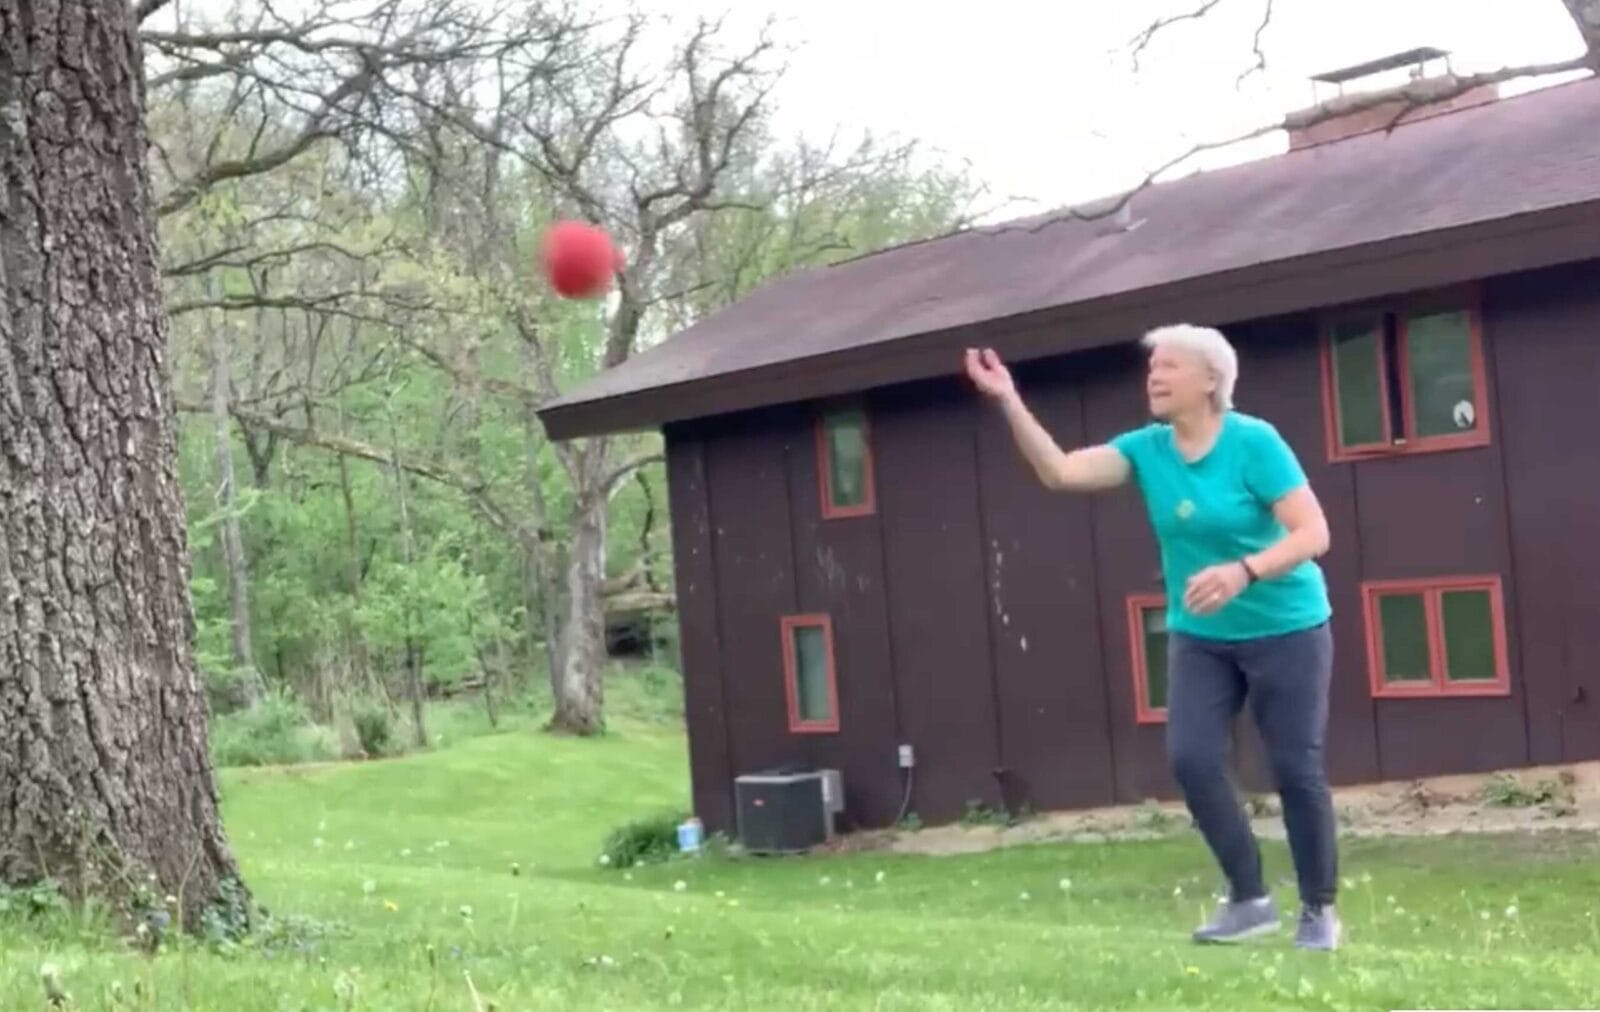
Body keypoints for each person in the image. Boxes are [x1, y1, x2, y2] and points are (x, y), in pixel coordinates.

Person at [963, 325, 1341, 951]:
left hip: (1288, 627)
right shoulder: (1147, 450)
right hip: (1202, 635)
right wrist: (1008, 399)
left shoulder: (1253, 442)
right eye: (1151, 369)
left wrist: (1244, 570)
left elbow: (1313, 533)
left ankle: (1319, 910)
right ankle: (1249, 900)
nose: (1154, 377)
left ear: (1211, 380)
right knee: (1192, 758)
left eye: (1169, 367)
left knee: (1294, 766)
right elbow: (1060, 473)